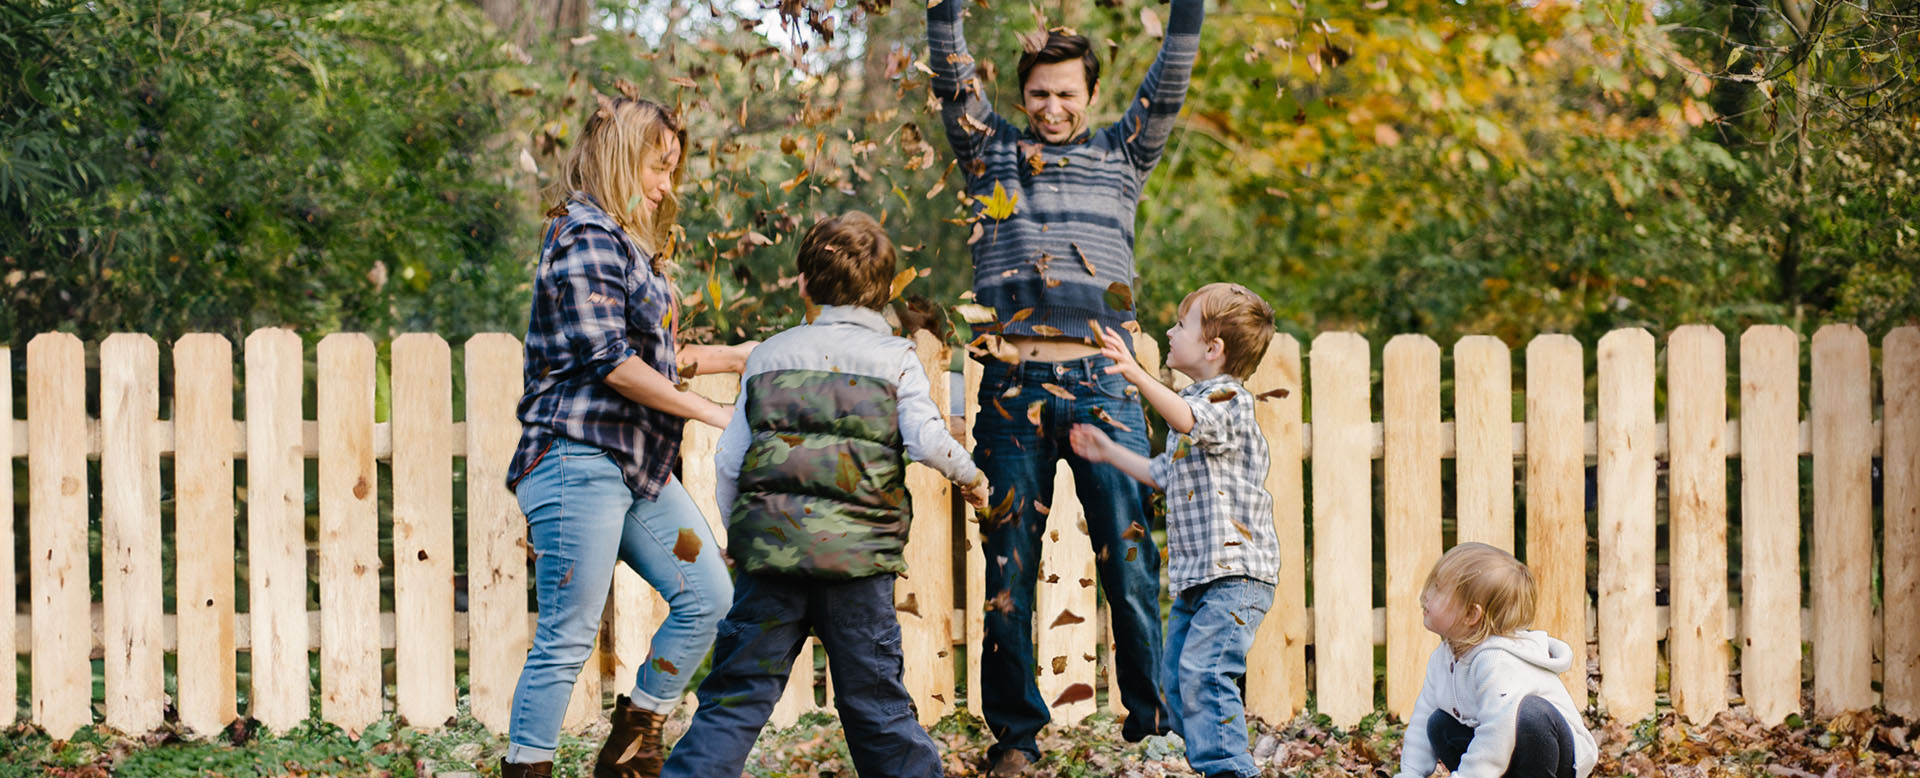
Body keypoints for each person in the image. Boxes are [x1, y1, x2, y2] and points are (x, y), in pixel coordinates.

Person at [924, 0, 1206, 770]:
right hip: (1013, 390)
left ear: (1090, 95)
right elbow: (951, 81)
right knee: (1007, 564)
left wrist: (1188, 9)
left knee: (1130, 555)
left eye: (1067, 93)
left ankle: (1156, 725)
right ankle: (1016, 739)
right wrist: (942, 12)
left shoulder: (1123, 154)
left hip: (1103, 386)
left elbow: (1171, 78)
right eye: (1040, 94)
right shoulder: (992, 155)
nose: (1053, 107)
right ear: (1023, 98)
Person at [659, 211, 992, 778]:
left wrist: (743, 538)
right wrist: (973, 479)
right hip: (857, 566)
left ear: (804, 284)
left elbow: (730, 461)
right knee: (876, 707)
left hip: (772, 564)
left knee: (735, 699)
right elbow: (929, 442)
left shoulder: (768, 356)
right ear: (884, 293)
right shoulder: (896, 360)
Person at [501, 95, 753, 778]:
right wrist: (709, 411)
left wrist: (742, 356)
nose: (665, 186)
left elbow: (658, 355)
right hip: (577, 459)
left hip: (636, 468)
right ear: (620, 158)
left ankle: (630, 747)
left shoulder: (625, 245)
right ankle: (528, 766)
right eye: (658, 167)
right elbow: (610, 361)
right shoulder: (581, 235)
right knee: (568, 634)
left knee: (708, 594)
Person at [1069, 282, 1282, 778]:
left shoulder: (1228, 400)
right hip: (1199, 579)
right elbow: (1164, 473)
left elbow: (1189, 420)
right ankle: (1211, 760)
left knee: (1205, 672)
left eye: (1181, 324)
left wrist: (1136, 374)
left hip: (1235, 576)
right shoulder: (1194, 404)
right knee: (1178, 676)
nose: (1169, 330)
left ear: (1213, 348)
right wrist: (1108, 452)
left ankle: (1230, 770)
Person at [1394, 543, 1599, 778]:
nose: (1426, 593)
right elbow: (1422, 719)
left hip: (1555, 756)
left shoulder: (1496, 662)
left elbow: (1497, 733)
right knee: (1437, 722)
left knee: (1531, 715)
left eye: (1438, 589)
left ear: (1472, 614)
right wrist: (1410, 773)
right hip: (1505, 752)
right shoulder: (1443, 657)